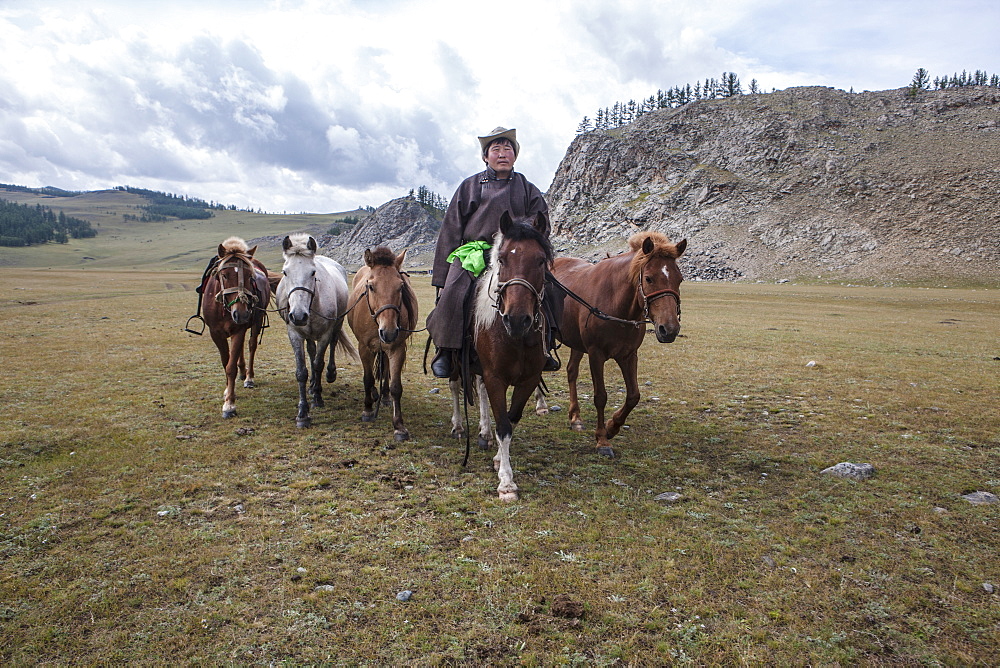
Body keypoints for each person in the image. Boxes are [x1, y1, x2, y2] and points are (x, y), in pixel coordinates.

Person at [426, 126, 559, 378]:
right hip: (475, 252)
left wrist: (520, 241)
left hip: (515, 254)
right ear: (486, 156)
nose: (502, 154)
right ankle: (446, 349)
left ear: (515, 156)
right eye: (495, 149)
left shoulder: (528, 188)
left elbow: (541, 224)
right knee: (454, 291)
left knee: (551, 288)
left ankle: (546, 345)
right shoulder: (470, 186)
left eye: (507, 148)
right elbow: (451, 229)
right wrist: (441, 280)